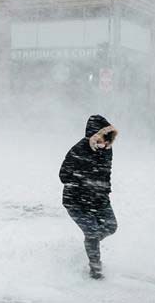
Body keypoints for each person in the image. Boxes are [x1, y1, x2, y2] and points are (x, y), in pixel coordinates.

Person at [59, 115, 118, 279]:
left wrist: (104, 192)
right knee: (92, 231)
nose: (105, 143)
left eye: (108, 139)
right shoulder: (79, 149)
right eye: (101, 138)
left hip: (100, 200)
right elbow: (63, 175)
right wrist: (83, 182)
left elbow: (107, 174)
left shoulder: (107, 150)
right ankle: (95, 269)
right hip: (75, 201)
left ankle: (91, 243)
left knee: (111, 226)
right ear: (92, 136)